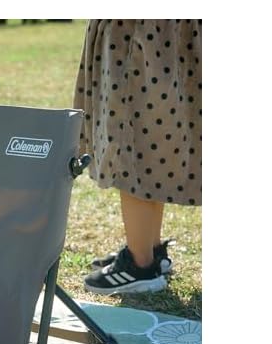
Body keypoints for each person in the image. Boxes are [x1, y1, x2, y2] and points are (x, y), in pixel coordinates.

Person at [73, 19, 201, 295]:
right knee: (155, 140)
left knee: (133, 147)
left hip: (136, 31)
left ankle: (140, 265)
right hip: (171, 30)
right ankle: (149, 249)